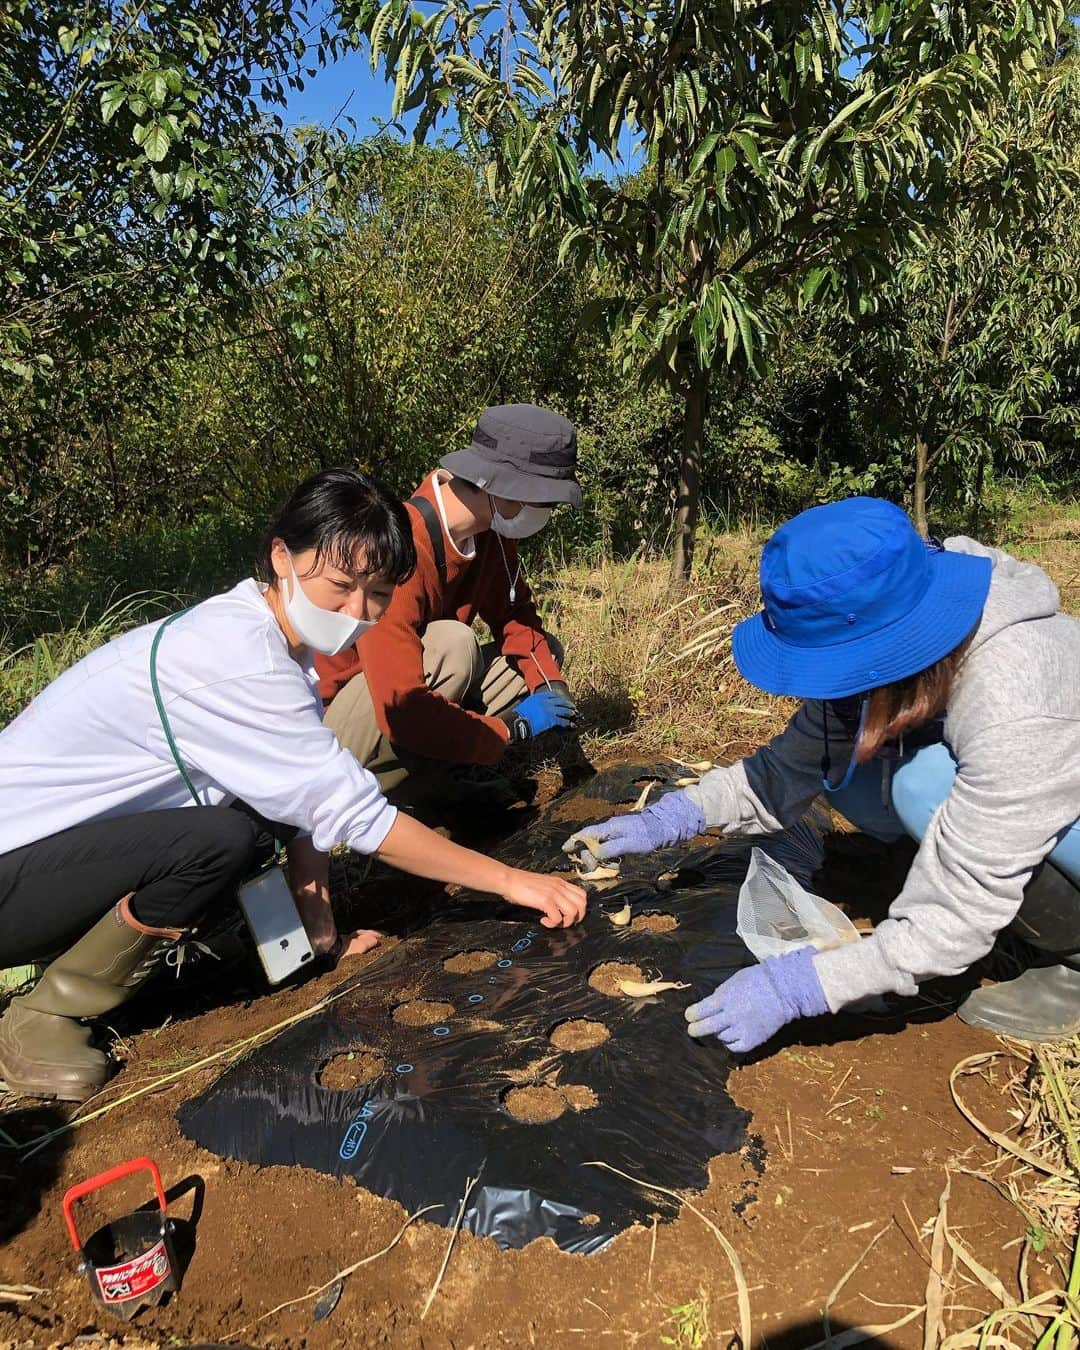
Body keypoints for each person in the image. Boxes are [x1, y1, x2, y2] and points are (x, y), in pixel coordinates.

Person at [0, 468, 586, 1102]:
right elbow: (357, 816)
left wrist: (320, 933)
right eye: (340, 586)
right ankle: (39, 1021)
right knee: (220, 841)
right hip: (14, 868)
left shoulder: (275, 643)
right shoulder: (236, 659)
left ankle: (238, 945)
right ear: (283, 555)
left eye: (378, 594)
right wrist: (512, 881)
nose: (357, 612)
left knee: (249, 828)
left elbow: (306, 803)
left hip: (56, 858)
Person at [565, 497, 1080, 1050]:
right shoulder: (897, 627)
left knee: (920, 787)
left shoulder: (1015, 696)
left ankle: (1072, 963)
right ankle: (947, 866)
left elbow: (954, 917)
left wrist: (804, 985)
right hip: (1019, 795)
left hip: (1052, 799)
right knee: (852, 769)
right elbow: (785, 770)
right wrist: (672, 817)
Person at [317, 404, 580, 805]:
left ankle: (443, 766)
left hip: (408, 705)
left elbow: (516, 618)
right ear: (505, 489)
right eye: (545, 502)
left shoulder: (492, 537)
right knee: (453, 645)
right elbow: (400, 707)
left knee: (542, 656)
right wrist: (512, 729)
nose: (546, 513)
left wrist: (552, 689)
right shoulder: (398, 548)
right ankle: (411, 790)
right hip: (341, 738)